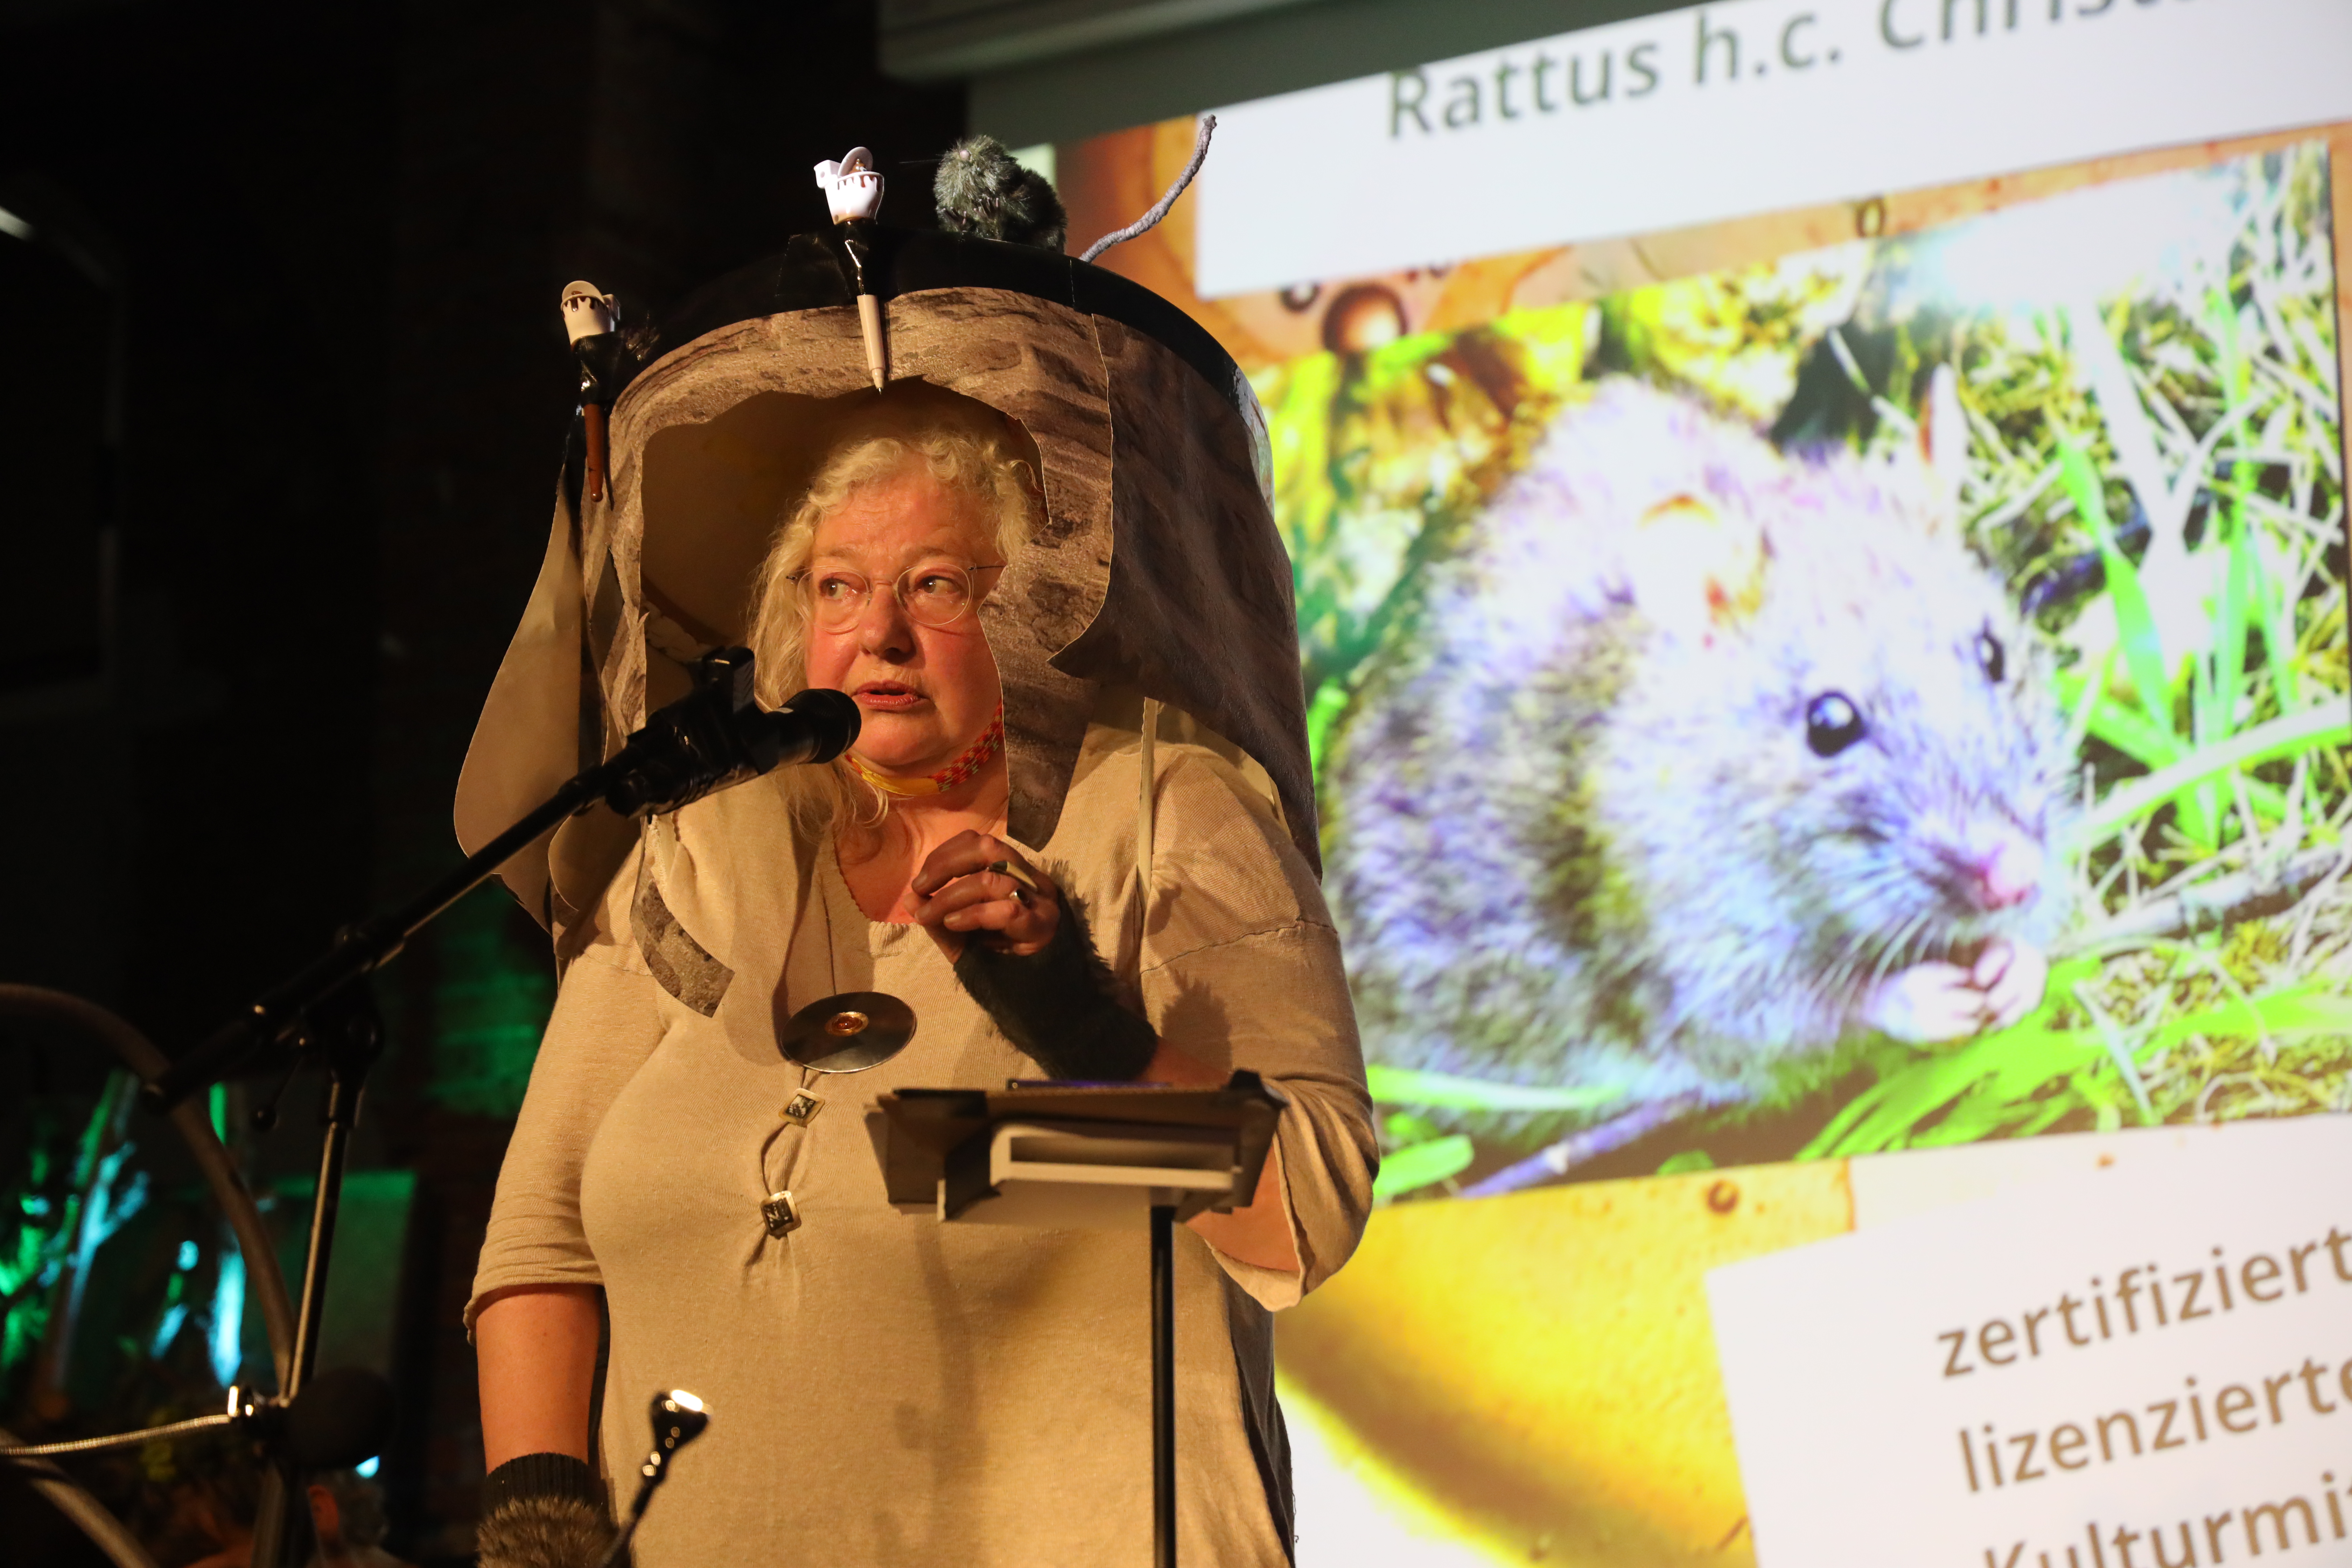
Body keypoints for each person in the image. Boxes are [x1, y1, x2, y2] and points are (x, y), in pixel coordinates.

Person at [461, 312, 1376, 1564]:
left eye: (937, 585)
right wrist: (540, 1517)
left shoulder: (1161, 815)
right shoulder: (699, 855)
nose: (879, 632)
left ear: (1037, 608)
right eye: (839, 586)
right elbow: (541, 1239)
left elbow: (1305, 1212)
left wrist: (1080, 1031)